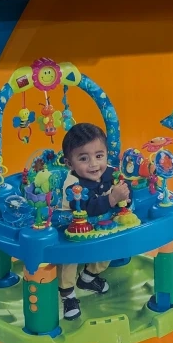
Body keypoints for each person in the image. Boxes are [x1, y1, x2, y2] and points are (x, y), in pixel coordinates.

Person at [59, 122, 130, 321]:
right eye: (83, 158)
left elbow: (124, 187)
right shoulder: (72, 185)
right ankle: (67, 294)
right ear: (70, 164)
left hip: (101, 225)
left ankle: (88, 277)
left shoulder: (110, 172)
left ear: (106, 154)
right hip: (71, 228)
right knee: (69, 257)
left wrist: (125, 197)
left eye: (99, 156)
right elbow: (88, 207)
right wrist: (112, 199)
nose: (94, 164)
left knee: (108, 247)